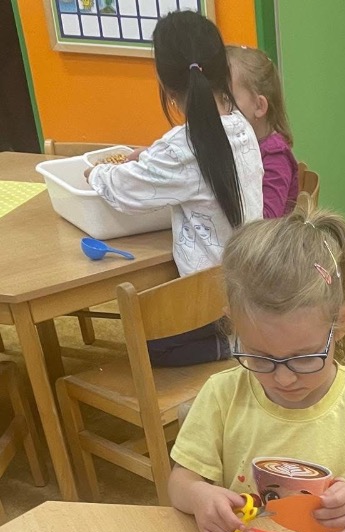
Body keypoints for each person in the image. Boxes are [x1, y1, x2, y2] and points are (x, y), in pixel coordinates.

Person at [168, 204, 345, 532]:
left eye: (304, 358)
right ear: (234, 325)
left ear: (342, 324)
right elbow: (181, 480)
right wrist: (200, 495)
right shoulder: (222, 394)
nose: (284, 378)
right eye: (260, 357)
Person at [86, 10, 263, 367]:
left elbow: (123, 190)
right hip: (250, 284)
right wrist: (150, 155)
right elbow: (190, 165)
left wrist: (94, 174)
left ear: (166, 86)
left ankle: (230, 344)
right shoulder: (240, 127)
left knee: (147, 342)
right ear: (223, 72)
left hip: (211, 300)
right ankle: (239, 334)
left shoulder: (181, 147)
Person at [227, 45, 299, 218]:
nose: (218, 109)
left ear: (259, 106)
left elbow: (267, 219)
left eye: (226, 99)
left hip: (268, 236)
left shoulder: (275, 155)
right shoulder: (240, 144)